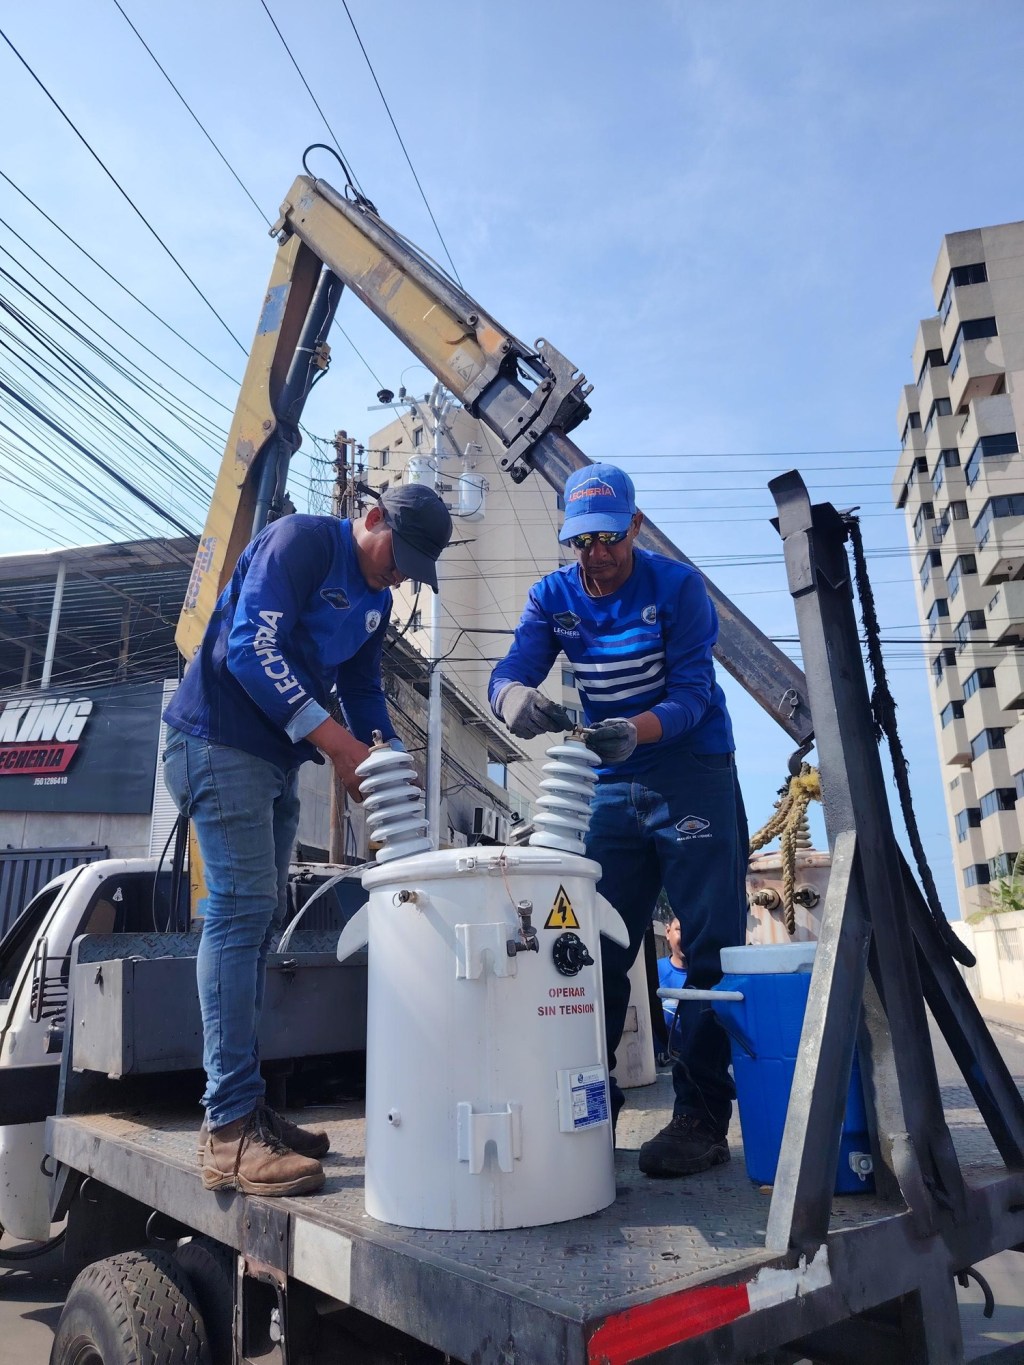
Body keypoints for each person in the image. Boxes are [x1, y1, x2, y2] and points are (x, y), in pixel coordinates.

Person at [163, 484, 453, 1196]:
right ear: (373, 517)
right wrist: (338, 747)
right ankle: (228, 1128)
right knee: (239, 913)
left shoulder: (376, 603)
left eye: (414, 568)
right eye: (399, 555)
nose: (399, 574)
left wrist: (382, 757)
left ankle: (244, 1106)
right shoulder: (300, 543)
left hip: (273, 757)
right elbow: (250, 649)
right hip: (217, 739)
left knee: (258, 923)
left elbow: (360, 688)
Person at [488, 463, 748, 1178]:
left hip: (689, 768)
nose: (596, 554)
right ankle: (588, 1104)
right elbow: (509, 671)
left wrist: (637, 728)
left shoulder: (678, 588)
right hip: (608, 779)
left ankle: (700, 1116)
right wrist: (512, 699)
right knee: (590, 943)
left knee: (710, 945)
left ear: (635, 526)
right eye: (582, 541)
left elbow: (694, 693)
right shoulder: (554, 597)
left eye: (609, 538)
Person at [658, 916, 688, 1048]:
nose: (686, 937)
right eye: (680, 930)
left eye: (691, 930)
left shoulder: (708, 976)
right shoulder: (653, 972)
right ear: (667, 931)